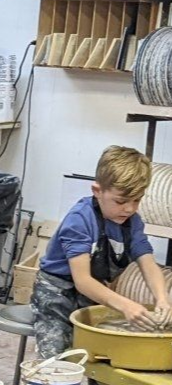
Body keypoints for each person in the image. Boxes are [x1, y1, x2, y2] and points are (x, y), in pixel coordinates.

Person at [32, 145, 172, 359]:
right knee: (57, 356)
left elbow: (148, 263)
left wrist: (162, 299)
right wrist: (125, 304)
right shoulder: (80, 220)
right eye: (121, 201)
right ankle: (48, 383)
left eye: (137, 200)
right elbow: (83, 281)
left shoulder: (132, 223)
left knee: (104, 348)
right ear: (97, 191)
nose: (129, 209)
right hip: (56, 291)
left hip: (93, 291)